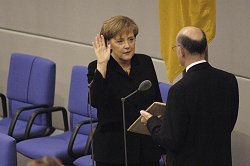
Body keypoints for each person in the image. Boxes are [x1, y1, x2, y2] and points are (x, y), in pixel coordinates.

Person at [140, 26, 239, 166]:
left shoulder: (179, 90)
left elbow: (170, 140)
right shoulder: (229, 80)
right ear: (204, 48)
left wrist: (151, 121)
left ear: (181, 51)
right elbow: (229, 122)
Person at [88, 16, 162, 166]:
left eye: (131, 39)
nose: (127, 46)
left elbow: (156, 101)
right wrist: (102, 64)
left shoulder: (145, 62)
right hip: (113, 150)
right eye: (120, 41)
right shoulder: (97, 67)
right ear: (107, 43)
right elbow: (96, 101)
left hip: (146, 148)